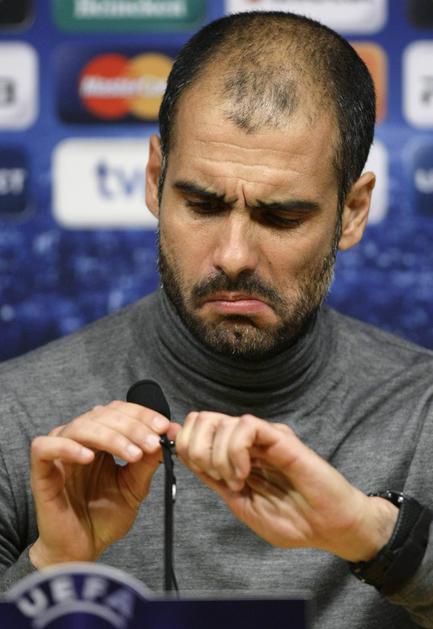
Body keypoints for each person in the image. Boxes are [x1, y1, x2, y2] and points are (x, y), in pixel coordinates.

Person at [0, 10, 432, 628]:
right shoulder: (14, 417)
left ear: (353, 211)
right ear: (155, 179)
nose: (233, 256)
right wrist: (53, 569)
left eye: (281, 217)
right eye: (202, 205)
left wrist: (377, 536)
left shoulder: (423, 415)